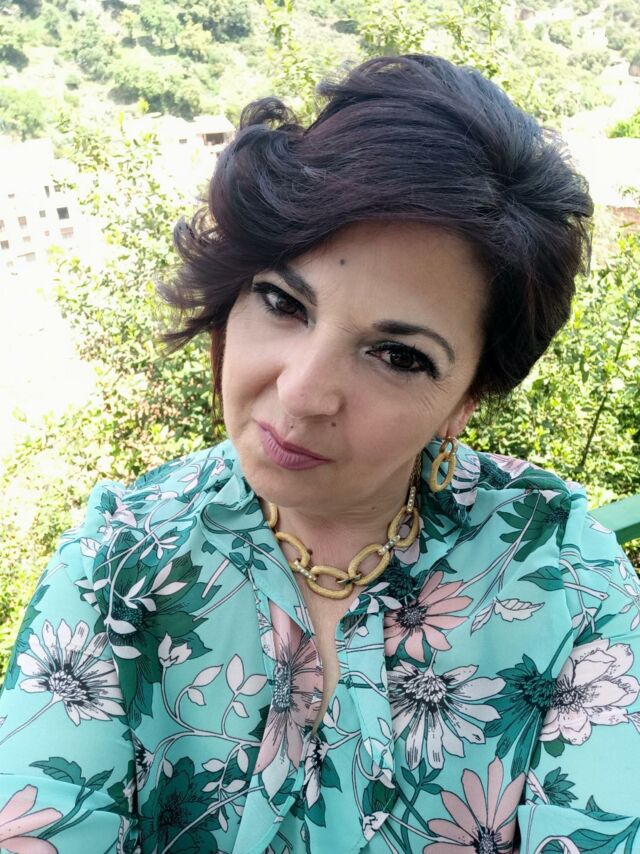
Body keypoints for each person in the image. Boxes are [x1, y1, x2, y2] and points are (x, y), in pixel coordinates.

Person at [0, 53, 639, 854]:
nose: (302, 393)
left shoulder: (563, 575)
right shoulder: (118, 563)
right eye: (282, 301)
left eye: (398, 355)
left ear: (466, 401)